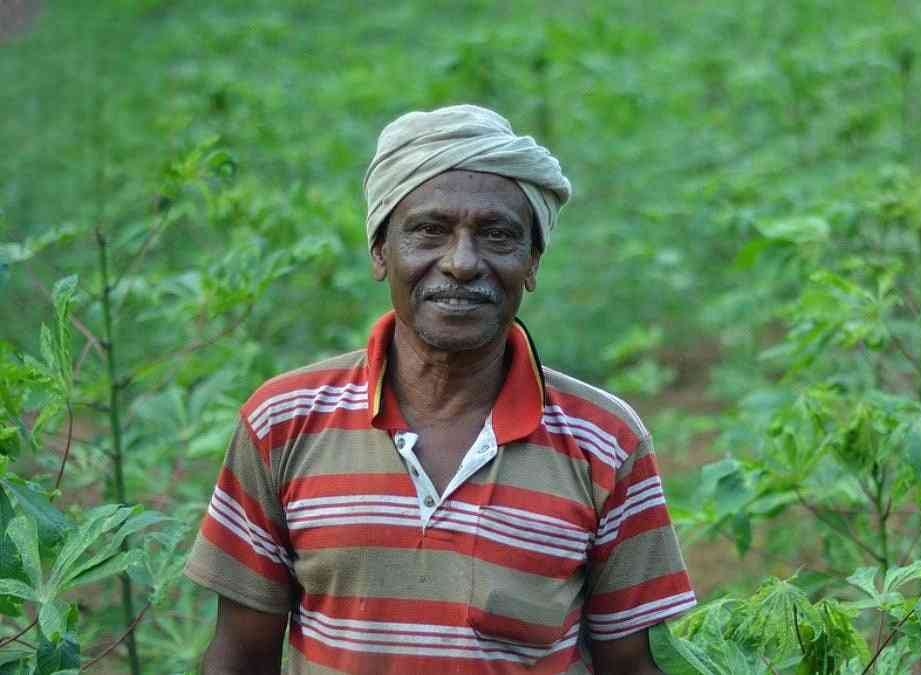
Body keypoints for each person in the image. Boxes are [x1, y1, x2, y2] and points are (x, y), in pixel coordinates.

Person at [185, 105, 695, 674]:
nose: (462, 262)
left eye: (497, 235)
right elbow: (239, 655)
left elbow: (631, 665)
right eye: (429, 231)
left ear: (532, 261)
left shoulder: (606, 441)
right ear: (380, 251)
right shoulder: (284, 422)